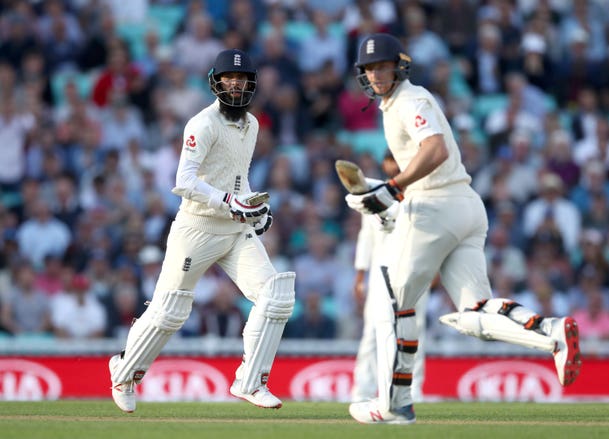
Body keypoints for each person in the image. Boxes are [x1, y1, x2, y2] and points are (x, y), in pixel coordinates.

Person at [344, 33, 582, 425]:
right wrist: (382, 190)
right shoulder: (396, 104)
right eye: (369, 69)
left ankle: (394, 404)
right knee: (473, 314)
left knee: (394, 304)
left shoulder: (410, 99)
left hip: (435, 205)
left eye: (382, 66)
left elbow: (434, 149)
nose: (376, 75)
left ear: (398, 66)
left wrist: (392, 188)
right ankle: (552, 333)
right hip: (465, 206)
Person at [108, 49, 296, 413]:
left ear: (252, 84)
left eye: (242, 79)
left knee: (277, 297)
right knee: (170, 310)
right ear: (216, 81)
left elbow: (237, 178)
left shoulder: (252, 125)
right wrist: (230, 202)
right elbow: (184, 181)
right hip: (197, 228)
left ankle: (251, 381)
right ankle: (125, 371)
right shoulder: (202, 124)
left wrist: (254, 210)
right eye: (229, 78)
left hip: (235, 231)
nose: (236, 84)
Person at [351, 152, 427, 403]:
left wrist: (433, 266)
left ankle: (414, 390)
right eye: (390, 161)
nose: (393, 166)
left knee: (415, 330)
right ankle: (363, 389)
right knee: (372, 329)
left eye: (398, 161)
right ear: (385, 164)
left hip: (414, 268)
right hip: (379, 269)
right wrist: (360, 275)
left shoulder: (420, 192)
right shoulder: (375, 192)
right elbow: (365, 236)